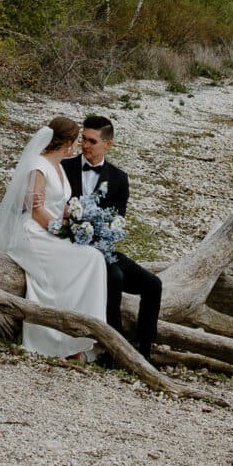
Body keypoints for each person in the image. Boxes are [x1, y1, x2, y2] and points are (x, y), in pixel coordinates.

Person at [0, 115, 110, 360]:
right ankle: (56, 339)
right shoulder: (38, 166)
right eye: (77, 141)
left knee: (93, 258)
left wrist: (75, 218)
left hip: (49, 229)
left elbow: (57, 205)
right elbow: (37, 210)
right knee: (87, 259)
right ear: (68, 143)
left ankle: (81, 337)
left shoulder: (59, 167)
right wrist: (61, 231)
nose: (79, 146)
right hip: (33, 233)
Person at [71, 114, 160, 361]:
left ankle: (144, 351)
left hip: (101, 247)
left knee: (153, 284)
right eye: (83, 139)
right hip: (68, 247)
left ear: (108, 144)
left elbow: (117, 219)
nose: (85, 145)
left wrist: (98, 232)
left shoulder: (119, 178)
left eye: (92, 141)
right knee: (115, 277)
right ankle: (114, 348)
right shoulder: (65, 168)